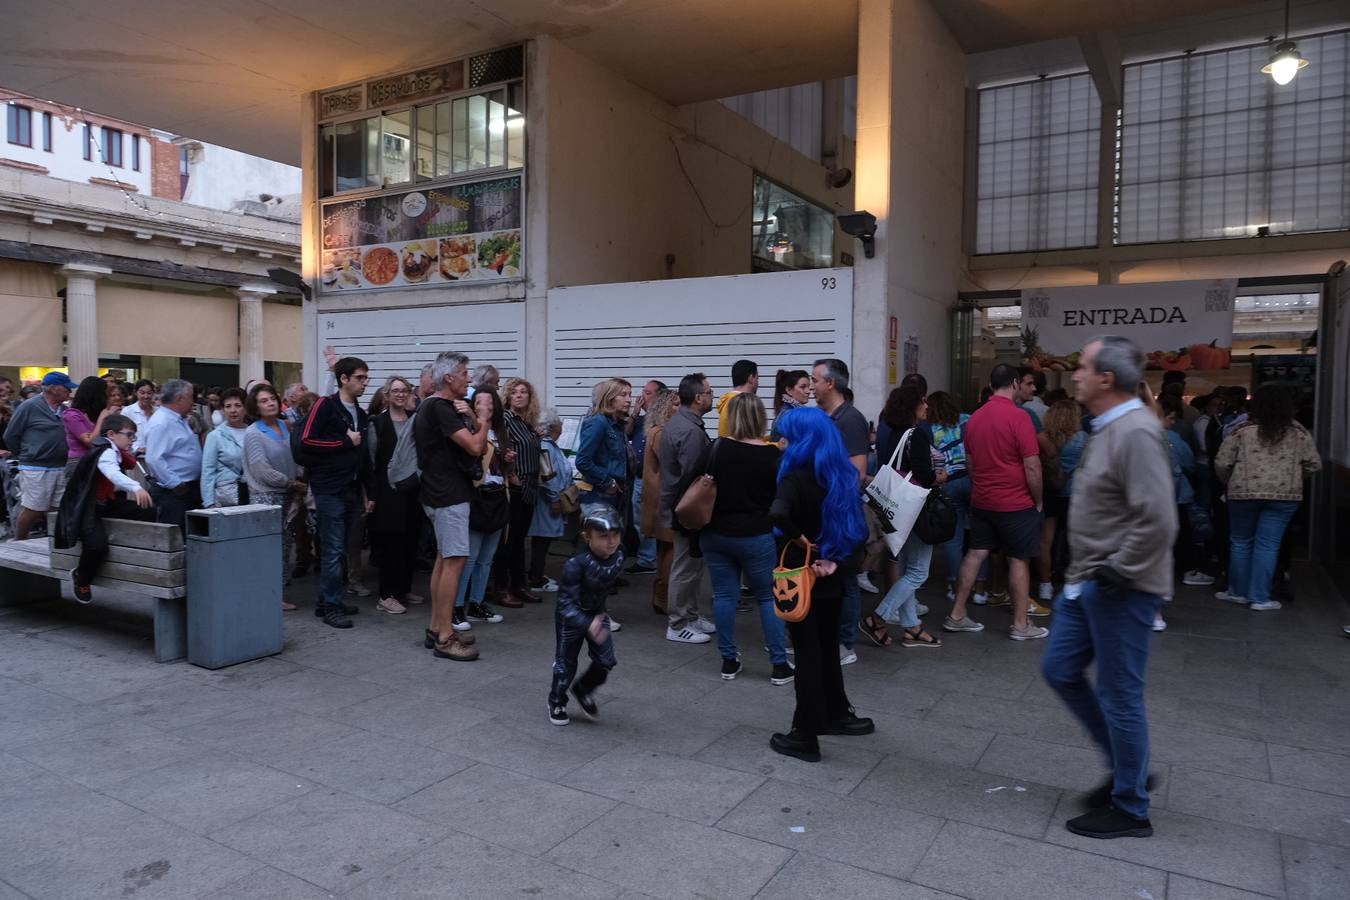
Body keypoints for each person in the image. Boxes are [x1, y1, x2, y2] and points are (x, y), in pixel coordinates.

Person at [1042, 335, 1177, 840]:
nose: (1074, 374)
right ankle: (1129, 769)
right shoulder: (1106, 427)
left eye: (1082, 367)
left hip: (1122, 585)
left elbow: (1158, 519)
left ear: (1105, 378)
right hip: (1089, 583)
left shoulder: (1137, 431)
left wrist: (1118, 571)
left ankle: (1130, 805)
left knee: (1122, 695)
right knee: (1059, 669)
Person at [768, 407, 873, 762]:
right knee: (828, 650)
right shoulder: (840, 474)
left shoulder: (795, 477)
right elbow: (856, 531)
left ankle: (805, 733)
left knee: (808, 656)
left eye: (786, 436)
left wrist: (801, 541)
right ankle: (837, 713)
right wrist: (832, 558)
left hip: (801, 577)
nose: (781, 442)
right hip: (831, 574)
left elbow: (778, 514)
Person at [945, 364, 1050, 641]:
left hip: (982, 498)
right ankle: (1020, 624)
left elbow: (969, 462)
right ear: (1015, 383)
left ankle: (956, 614)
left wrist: (981, 485)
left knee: (976, 552)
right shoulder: (1020, 418)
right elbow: (1032, 466)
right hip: (1015, 502)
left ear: (992, 385)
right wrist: (1038, 500)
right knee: (1018, 558)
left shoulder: (975, 419)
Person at [698, 393, 794, 683]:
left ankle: (729, 661)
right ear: (760, 418)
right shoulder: (772, 455)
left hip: (716, 533)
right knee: (768, 597)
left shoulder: (717, 448)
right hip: (756, 535)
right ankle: (779, 664)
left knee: (724, 596)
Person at [1214, 384, 1321, 611]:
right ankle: (1260, 598)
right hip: (1284, 496)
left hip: (1242, 494)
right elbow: (1314, 464)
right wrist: (1296, 478)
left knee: (1241, 542)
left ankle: (1237, 592)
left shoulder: (1241, 429)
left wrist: (1229, 481)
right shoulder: (1299, 432)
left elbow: (1222, 462)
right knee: (1268, 546)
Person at [415, 351, 489, 662]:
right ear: (449, 378)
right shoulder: (440, 407)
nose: (468, 378)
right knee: (454, 561)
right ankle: (445, 636)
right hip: (449, 495)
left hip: (438, 493)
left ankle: (436, 628)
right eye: (464, 373)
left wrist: (472, 419)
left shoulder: (433, 407)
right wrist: (484, 419)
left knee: (446, 559)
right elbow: (475, 446)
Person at [297, 357, 372, 628]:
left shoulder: (360, 413)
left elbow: (363, 455)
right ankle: (331, 606)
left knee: (342, 549)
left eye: (366, 378)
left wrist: (367, 490)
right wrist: (343, 441)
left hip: (351, 488)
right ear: (344, 379)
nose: (365, 383)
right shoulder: (326, 405)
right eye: (360, 377)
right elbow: (307, 439)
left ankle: (329, 600)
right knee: (333, 549)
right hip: (329, 488)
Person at [866, 384, 942, 648]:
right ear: (913, 406)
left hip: (893, 508)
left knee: (909, 568)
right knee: (919, 573)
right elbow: (924, 474)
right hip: (913, 510)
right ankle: (878, 617)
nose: (926, 406)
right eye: (922, 401)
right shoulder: (916, 435)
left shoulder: (887, 431)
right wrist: (940, 476)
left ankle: (912, 628)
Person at [55, 414, 154, 603]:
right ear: (112, 434)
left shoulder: (114, 449)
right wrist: (136, 487)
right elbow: (112, 473)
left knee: (148, 511)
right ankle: (82, 579)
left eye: (134, 436)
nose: (132, 439)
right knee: (97, 546)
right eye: (129, 435)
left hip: (106, 501)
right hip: (89, 506)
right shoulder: (105, 452)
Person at [809, 358, 869, 665]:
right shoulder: (824, 416)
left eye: (816, 380)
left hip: (841, 514)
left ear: (831, 383)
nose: (812, 386)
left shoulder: (851, 419)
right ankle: (825, 637)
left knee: (846, 579)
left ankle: (845, 643)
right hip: (823, 512)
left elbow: (857, 472)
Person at [548, 509, 625, 726]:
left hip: (597, 613)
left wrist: (598, 618)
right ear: (587, 537)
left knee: (606, 661)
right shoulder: (576, 564)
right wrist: (586, 622)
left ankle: (583, 689)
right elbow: (565, 603)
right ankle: (556, 700)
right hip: (571, 618)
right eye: (603, 536)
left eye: (615, 535)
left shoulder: (619, 554)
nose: (611, 542)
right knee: (565, 663)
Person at [659, 373, 717, 644]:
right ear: (697, 398)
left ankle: (690, 616)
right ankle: (678, 623)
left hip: (681, 508)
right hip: (685, 510)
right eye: (708, 391)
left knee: (692, 563)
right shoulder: (690, 431)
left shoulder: (684, 423)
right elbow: (695, 479)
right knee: (685, 565)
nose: (712, 394)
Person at [368, 376, 424, 615]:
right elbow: (370, 462)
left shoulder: (415, 421)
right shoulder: (377, 424)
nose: (400, 394)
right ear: (387, 395)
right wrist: (370, 494)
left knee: (411, 541)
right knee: (390, 545)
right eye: (396, 391)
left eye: (405, 390)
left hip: (413, 492)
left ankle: (403, 589)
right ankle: (386, 595)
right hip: (387, 494)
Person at [457, 388, 513, 626]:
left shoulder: (501, 430)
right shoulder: (469, 429)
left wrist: (509, 460)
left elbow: (505, 469)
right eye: (479, 402)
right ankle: (457, 606)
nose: (485, 407)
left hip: (499, 494)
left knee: (487, 558)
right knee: (470, 557)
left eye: (489, 403)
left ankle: (477, 603)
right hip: (478, 495)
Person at [243, 384, 302, 605]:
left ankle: (278, 593)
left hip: (288, 494)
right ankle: (267, 596)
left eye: (272, 399)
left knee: (285, 546)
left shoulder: (285, 426)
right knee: (268, 550)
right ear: (255, 407)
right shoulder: (253, 432)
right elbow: (261, 469)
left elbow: (294, 457)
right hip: (267, 497)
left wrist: (297, 481)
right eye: (263, 401)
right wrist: (291, 482)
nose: (270, 403)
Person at [4, 372, 77, 540]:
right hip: (35, 466)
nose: (69, 391)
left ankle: (55, 541)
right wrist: (26, 453)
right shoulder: (29, 406)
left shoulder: (65, 410)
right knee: (34, 508)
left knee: (57, 508)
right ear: (52, 388)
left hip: (60, 466)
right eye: (66, 387)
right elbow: (10, 435)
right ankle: (19, 540)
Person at [927, 391, 982, 603]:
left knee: (953, 537)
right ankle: (980, 589)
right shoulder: (968, 420)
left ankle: (955, 587)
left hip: (947, 483)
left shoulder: (930, 429)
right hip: (972, 478)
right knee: (978, 538)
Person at [497, 377, 543, 604]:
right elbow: (501, 447)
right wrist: (511, 474)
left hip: (531, 486)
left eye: (523, 392)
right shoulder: (505, 419)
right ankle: (503, 587)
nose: (519, 395)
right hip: (515, 486)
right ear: (507, 396)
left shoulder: (526, 422)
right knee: (509, 540)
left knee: (519, 539)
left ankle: (519, 585)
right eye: (514, 392)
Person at [1036, 400, 1087, 604]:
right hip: (1076, 496)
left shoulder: (1044, 438)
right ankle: (1074, 585)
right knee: (1077, 543)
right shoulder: (1084, 439)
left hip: (1049, 493)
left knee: (1045, 542)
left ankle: (1044, 585)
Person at [140, 379, 203, 532]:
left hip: (188, 488)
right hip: (174, 493)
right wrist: (174, 483)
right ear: (179, 399)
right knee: (175, 536)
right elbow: (154, 458)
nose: (193, 401)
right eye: (190, 397)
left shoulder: (178, 419)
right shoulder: (162, 422)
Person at [639, 389, 679, 615]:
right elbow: (671, 462)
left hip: (657, 500)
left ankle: (661, 594)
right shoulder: (661, 433)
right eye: (674, 405)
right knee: (670, 546)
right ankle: (663, 595)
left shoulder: (655, 431)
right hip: (662, 499)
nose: (679, 408)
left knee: (665, 548)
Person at [576, 378, 633, 522]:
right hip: (600, 494)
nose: (629, 400)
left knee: (612, 539)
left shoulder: (617, 424)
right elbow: (582, 461)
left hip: (617, 494)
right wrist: (608, 482)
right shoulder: (598, 423)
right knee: (600, 539)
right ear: (609, 397)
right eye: (623, 395)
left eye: (630, 395)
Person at [528, 408, 573, 593]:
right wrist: (555, 498)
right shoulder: (546, 446)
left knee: (543, 541)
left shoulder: (550, 445)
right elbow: (548, 477)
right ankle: (536, 579)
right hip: (546, 503)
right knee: (541, 541)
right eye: (560, 423)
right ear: (554, 426)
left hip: (548, 501)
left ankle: (537, 575)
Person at [626, 379, 666, 576]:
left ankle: (649, 559)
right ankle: (648, 558)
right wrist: (635, 412)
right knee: (639, 519)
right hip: (638, 477)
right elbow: (625, 433)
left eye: (648, 393)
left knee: (650, 518)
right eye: (643, 392)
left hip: (655, 478)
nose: (643, 397)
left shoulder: (663, 421)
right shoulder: (640, 420)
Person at [200, 387, 249, 508]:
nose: (233, 410)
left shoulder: (253, 432)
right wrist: (209, 503)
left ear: (246, 408)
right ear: (222, 409)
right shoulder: (215, 436)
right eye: (228, 406)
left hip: (253, 494)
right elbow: (208, 471)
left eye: (238, 405)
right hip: (226, 496)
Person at [62, 376, 113, 480]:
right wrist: (102, 418)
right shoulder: (72, 415)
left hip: (100, 460)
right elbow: (91, 442)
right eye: (105, 394)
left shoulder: (96, 413)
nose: (107, 397)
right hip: (80, 462)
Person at [716, 359, 758, 437]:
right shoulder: (743, 404)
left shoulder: (728, 401)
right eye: (757, 378)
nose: (758, 383)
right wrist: (777, 444)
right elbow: (750, 443)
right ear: (751, 378)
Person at [770, 369, 810, 443]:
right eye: (803, 387)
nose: (808, 391)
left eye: (808, 386)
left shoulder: (793, 412)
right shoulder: (789, 415)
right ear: (789, 390)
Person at [123, 378, 157, 453]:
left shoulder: (158, 412)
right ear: (136, 393)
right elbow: (123, 435)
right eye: (142, 393)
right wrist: (137, 449)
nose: (146, 396)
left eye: (149, 393)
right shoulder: (128, 411)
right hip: (135, 455)